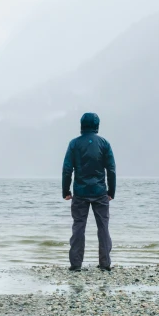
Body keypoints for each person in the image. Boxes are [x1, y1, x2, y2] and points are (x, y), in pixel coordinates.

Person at [62, 112, 116, 272]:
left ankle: (76, 264)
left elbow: (67, 169)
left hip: (80, 192)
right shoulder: (104, 143)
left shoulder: (74, 144)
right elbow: (111, 169)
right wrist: (111, 191)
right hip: (100, 192)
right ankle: (105, 263)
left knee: (79, 226)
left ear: (81, 126)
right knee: (103, 227)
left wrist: (66, 190)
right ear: (97, 126)